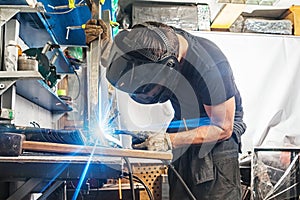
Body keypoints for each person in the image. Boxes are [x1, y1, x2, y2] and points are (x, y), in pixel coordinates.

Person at [85, 20, 246, 200]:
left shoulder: (211, 66)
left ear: (170, 68)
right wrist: (108, 49)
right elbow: (133, 54)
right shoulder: (157, 40)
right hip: (184, 125)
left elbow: (223, 127)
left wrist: (169, 140)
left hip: (216, 139)